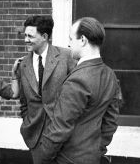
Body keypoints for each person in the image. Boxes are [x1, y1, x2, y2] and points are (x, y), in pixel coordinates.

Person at [46, 17, 121, 164]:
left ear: (83, 40)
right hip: (93, 157)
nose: (68, 44)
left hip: (67, 158)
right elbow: (111, 121)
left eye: (71, 39)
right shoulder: (110, 75)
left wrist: (44, 158)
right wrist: (98, 148)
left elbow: (59, 129)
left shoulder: (77, 80)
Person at [17, 15, 76, 164]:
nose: (25, 40)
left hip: (65, 138)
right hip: (36, 140)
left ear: (44, 36)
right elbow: (23, 101)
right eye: (25, 35)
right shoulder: (22, 64)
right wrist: (27, 122)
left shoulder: (66, 56)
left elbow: (77, 96)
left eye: (30, 36)